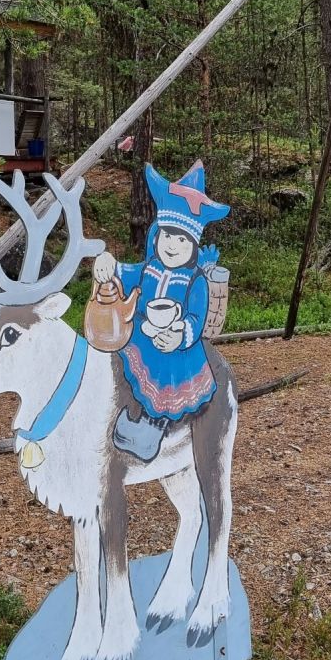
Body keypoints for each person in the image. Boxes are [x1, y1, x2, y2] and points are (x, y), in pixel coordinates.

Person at [92, 161, 229, 461]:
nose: (172, 245)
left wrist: (180, 335)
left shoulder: (194, 281)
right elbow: (122, 272)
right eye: (167, 236)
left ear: (193, 245)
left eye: (182, 239)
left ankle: (154, 426)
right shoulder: (149, 269)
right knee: (121, 355)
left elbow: (196, 317)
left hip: (174, 345)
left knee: (165, 369)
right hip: (141, 334)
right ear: (157, 236)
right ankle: (119, 406)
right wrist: (107, 263)